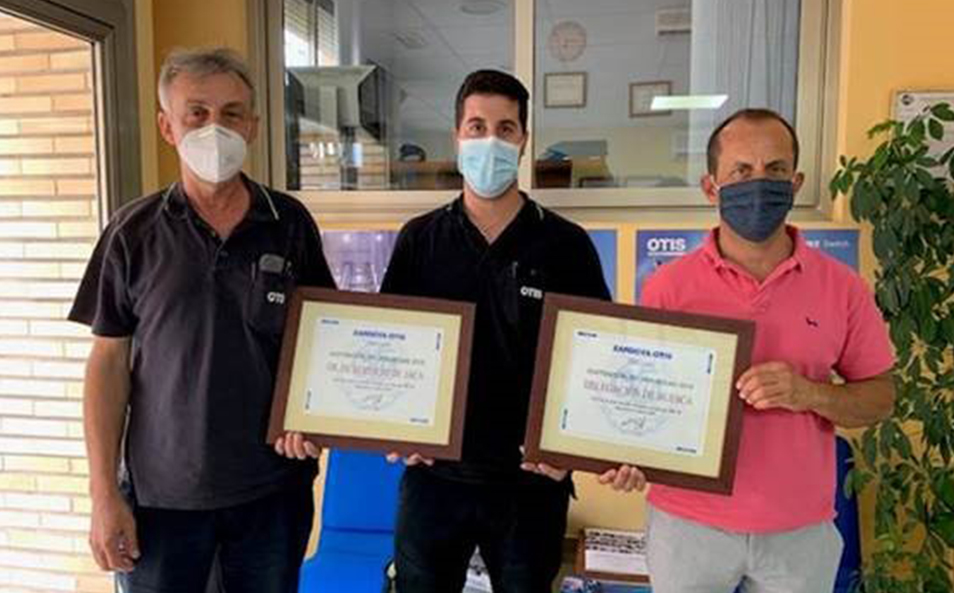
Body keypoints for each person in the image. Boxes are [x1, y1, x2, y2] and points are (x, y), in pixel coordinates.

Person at [280, 69, 613, 592]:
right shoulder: (420, 240)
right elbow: (386, 350)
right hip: (433, 478)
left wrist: (576, 452)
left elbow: (598, 361)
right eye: (477, 126)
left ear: (524, 140)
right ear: (458, 136)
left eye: (505, 129)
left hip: (530, 482)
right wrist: (391, 427)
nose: (490, 141)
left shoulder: (566, 245)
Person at [70, 47, 335, 593]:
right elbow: (108, 363)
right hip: (162, 501)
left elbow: (324, 341)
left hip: (271, 493)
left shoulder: (289, 224)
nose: (216, 128)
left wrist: (315, 418)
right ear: (167, 127)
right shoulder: (132, 233)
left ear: (253, 126)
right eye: (197, 113)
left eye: (232, 114)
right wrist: (103, 494)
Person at [604, 108, 896, 593]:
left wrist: (809, 393)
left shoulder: (842, 287)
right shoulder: (667, 286)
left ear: (796, 182)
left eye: (775, 170)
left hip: (800, 529)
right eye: (741, 171)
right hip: (686, 524)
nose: (759, 184)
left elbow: (880, 398)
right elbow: (638, 400)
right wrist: (625, 455)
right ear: (710, 187)